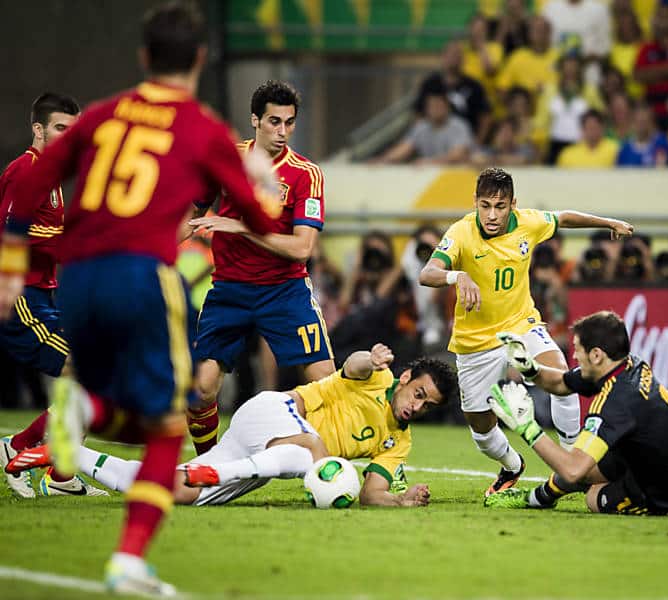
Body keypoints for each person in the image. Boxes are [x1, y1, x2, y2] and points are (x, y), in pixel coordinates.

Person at [0, 3, 277, 594]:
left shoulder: (103, 114)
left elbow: (29, 182)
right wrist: (264, 181)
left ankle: (84, 411)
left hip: (76, 279)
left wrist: (9, 269)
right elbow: (257, 219)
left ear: (144, 56)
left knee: (133, 406)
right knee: (169, 424)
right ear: (200, 58)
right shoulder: (202, 127)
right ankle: (128, 558)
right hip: (139, 277)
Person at [8, 344, 457, 509]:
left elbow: (370, 494)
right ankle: (218, 471)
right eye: (418, 394)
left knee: (173, 492)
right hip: (274, 414)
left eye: (428, 406)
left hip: (266, 455)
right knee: (315, 454)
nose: (416, 407)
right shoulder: (377, 377)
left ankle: (70, 453)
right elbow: (353, 365)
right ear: (404, 378)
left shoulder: (399, 441)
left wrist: (401, 500)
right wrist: (371, 358)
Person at [418, 167, 633, 496]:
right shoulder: (461, 232)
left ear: (513, 205)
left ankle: (572, 464)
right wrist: (456, 276)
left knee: (560, 375)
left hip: (521, 324)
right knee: (481, 430)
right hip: (475, 340)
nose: (492, 215)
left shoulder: (528, 222)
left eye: (500, 206)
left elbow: (564, 218)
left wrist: (608, 223)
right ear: (475, 202)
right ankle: (512, 465)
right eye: (485, 206)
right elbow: (427, 273)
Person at [185, 80, 334, 456]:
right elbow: (190, 216)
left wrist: (243, 227)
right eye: (274, 121)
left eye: (289, 122)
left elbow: (302, 248)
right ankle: (210, 466)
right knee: (201, 389)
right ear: (255, 120)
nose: (282, 131)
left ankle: (333, 466)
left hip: (284, 291)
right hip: (229, 290)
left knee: (328, 387)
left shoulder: (306, 174)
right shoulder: (226, 160)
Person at [484, 311, 668, 516]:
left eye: (578, 349)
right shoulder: (623, 365)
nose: (574, 356)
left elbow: (572, 470)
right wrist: (529, 368)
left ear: (596, 355)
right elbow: (560, 383)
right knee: (590, 468)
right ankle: (536, 499)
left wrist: (528, 428)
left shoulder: (616, 402)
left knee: (593, 495)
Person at [0, 92, 101, 498]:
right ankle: (18, 447)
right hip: (21, 297)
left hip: (44, 294)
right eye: (60, 128)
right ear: (38, 129)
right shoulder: (25, 171)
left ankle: (60, 474)